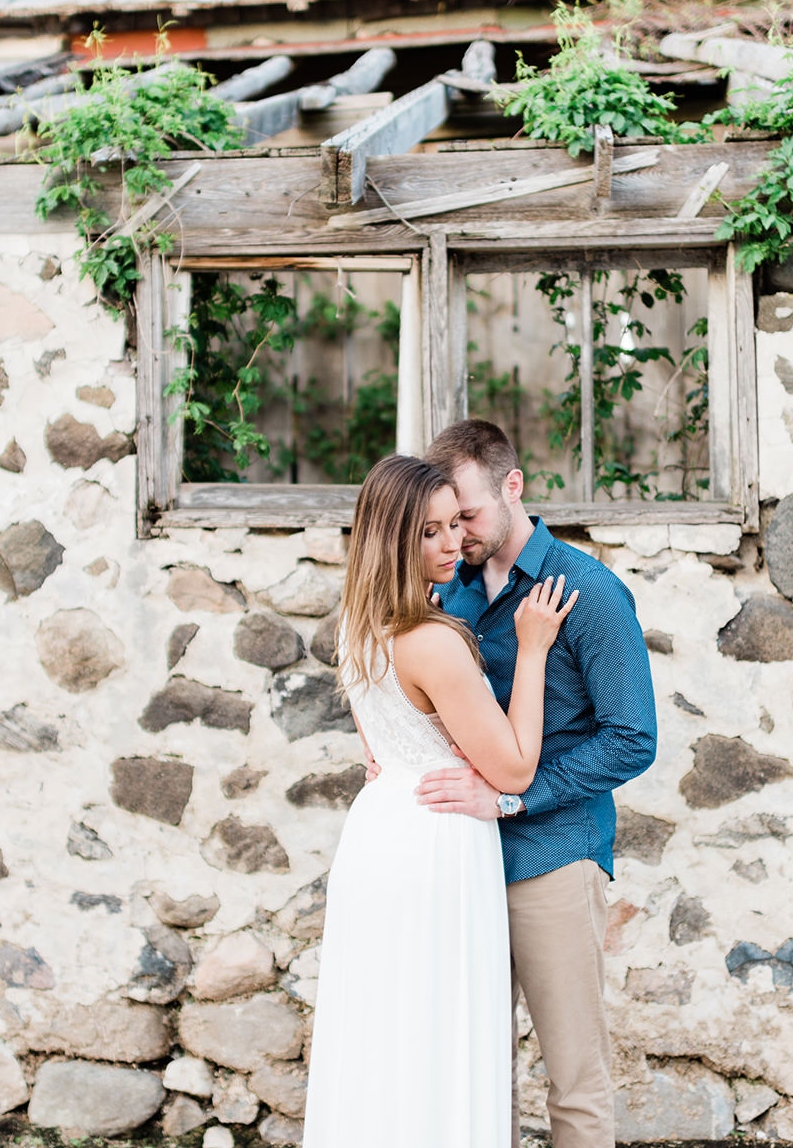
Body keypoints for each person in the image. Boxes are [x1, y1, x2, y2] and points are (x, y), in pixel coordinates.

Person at [303, 454, 578, 1148]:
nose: (452, 542)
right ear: (393, 539)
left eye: (455, 523)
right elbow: (513, 766)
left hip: (378, 834)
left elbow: (377, 749)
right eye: (430, 532)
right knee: (438, 1032)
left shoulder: (355, 629)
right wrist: (534, 647)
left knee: (380, 1036)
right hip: (437, 841)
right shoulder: (432, 643)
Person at [416, 418, 658, 1148]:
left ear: (513, 485)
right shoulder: (446, 594)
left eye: (469, 515)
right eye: (445, 522)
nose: (457, 535)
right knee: (472, 1072)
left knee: (575, 1079)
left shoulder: (590, 592)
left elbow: (632, 737)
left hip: (551, 855)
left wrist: (515, 795)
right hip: (462, 859)